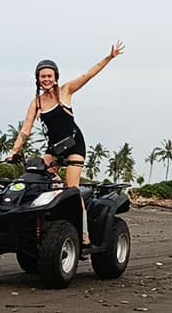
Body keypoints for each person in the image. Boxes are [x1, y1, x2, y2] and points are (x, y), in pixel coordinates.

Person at [7, 40, 125, 246]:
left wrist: (109, 57)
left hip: (74, 146)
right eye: (42, 76)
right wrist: (13, 152)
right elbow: (25, 130)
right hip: (54, 148)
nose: (46, 79)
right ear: (37, 79)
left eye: (49, 76)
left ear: (55, 77)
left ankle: (84, 232)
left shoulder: (66, 91)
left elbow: (88, 75)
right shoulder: (36, 102)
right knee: (34, 178)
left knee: (71, 189)